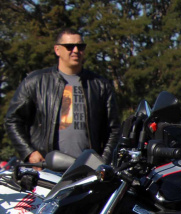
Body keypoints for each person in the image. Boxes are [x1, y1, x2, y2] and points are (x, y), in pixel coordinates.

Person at [4, 28, 120, 163]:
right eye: (70, 47)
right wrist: (29, 152)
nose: (76, 50)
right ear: (57, 50)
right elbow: (13, 119)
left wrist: (102, 161)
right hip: (46, 168)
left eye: (80, 46)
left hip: (87, 170)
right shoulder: (35, 81)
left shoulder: (100, 85)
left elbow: (114, 129)